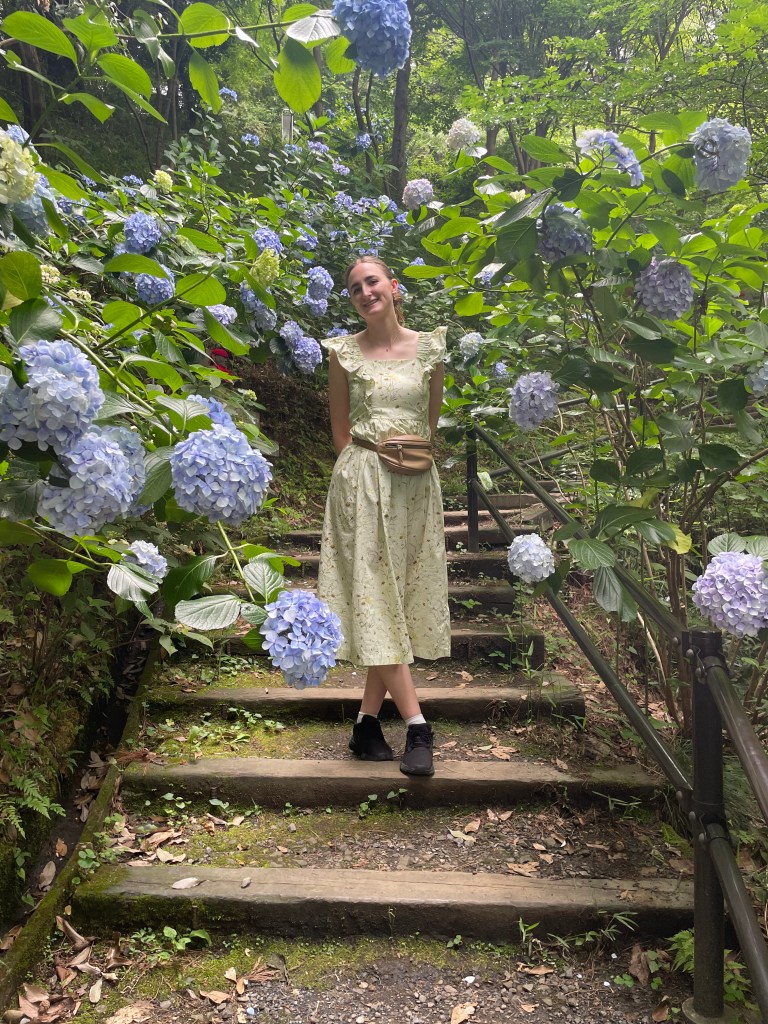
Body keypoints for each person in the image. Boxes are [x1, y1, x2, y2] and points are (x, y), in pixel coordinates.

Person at [318, 256, 451, 777]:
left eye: (371, 282)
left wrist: (406, 458)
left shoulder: (430, 348)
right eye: (354, 288)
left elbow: (428, 420)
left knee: (397, 595)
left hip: (416, 485)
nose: (364, 292)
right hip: (362, 483)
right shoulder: (344, 354)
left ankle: (366, 725)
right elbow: (340, 430)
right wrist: (365, 472)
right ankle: (418, 726)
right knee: (375, 594)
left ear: (393, 288)